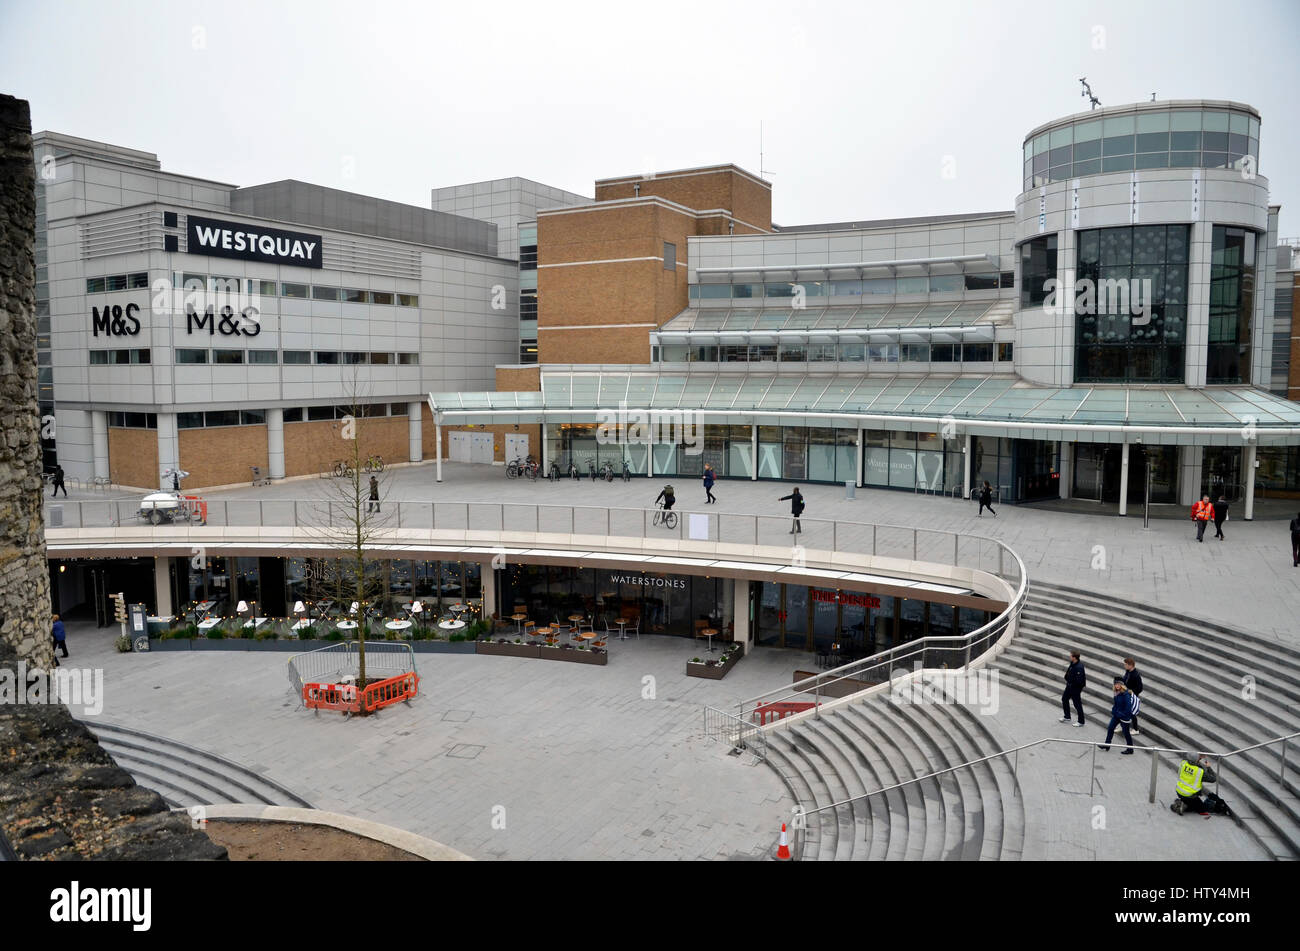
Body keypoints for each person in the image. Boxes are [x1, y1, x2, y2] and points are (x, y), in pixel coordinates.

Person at [1098, 680, 1139, 753]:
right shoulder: (1117, 693)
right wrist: (1114, 710)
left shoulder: (1126, 695)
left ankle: (1130, 749)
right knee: (1110, 728)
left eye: (1118, 684)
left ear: (1122, 685)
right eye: (1115, 684)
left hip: (1124, 717)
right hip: (1117, 715)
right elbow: (1116, 704)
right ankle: (1107, 744)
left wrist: (1121, 714)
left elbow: (1128, 708)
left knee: (1126, 733)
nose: (1117, 686)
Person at [1060, 650, 1086, 727]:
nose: (1069, 657)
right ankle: (1067, 716)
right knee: (1064, 699)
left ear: (1074, 657)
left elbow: (1079, 681)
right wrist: (1067, 678)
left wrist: (1073, 686)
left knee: (1077, 704)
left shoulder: (1079, 667)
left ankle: (1081, 721)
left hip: (1075, 688)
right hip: (1069, 686)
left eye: (1071, 656)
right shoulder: (1073, 663)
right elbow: (1069, 672)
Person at [1121, 657, 1144, 734]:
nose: (1124, 666)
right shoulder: (1127, 671)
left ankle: (1136, 729)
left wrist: (1132, 691)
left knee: (1131, 713)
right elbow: (1125, 680)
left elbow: (1140, 688)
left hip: (1132, 696)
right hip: (1125, 694)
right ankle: (1123, 726)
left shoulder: (1136, 675)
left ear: (1130, 665)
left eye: (1125, 664)